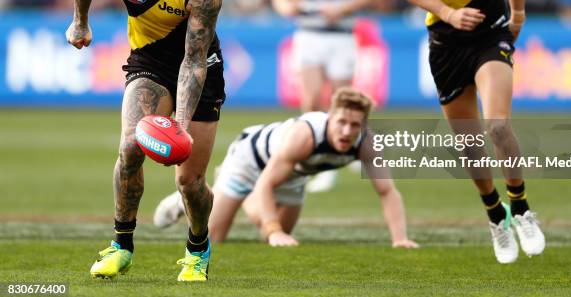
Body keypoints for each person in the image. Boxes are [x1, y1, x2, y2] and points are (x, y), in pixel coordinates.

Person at [65, 0, 225, 281]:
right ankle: (121, 245)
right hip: (149, 63)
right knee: (130, 146)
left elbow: (193, 61)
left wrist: (181, 127)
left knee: (189, 181)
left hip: (200, 67)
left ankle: (198, 248)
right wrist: (80, 20)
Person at [399, 0, 545, 264]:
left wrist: (517, 12)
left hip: (491, 36)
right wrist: (448, 13)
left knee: (498, 125)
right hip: (446, 43)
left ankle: (521, 208)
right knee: (467, 142)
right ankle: (496, 215)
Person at [154, 88, 419, 250]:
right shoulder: (306, 135)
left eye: (355, 125)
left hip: (292, 176)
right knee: (216, 238)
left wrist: (400, 239)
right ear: (330, 117)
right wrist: (273, 230)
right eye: (342, 122)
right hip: (249, 163)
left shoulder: (367, 143)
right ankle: (189, 199)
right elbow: (266, 183)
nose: (347, 131)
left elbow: (387, 192)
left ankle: (236, 197)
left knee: (283, 237)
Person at [272, 0, 383, 193]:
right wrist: (287, 7)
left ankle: (350, 149)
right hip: (308, 34)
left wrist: (344, 7)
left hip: (339, 35)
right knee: (309, 101)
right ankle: (318, 161)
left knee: (341, 98)